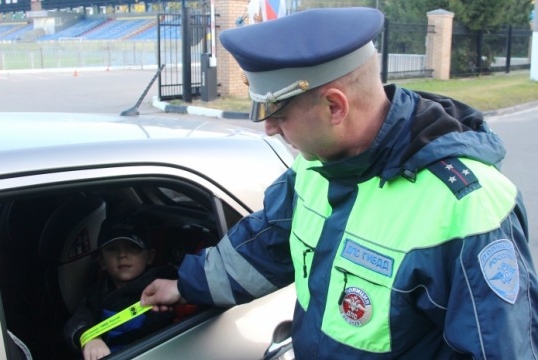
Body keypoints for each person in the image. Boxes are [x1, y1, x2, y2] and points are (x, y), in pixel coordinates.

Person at [141, 7, 538, 359]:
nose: (269, 127)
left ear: (335, 106)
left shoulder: (468, 208)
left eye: (278, 112)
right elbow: (266, 244)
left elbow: (500, 346)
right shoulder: (314, 166)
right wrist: (185, 285)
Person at [65, 211, 177, 359]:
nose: (122, 254)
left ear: (150, 257)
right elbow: (78, 320)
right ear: (102, 262)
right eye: (112, 249)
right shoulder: (97, 292)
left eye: (132, 247)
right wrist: (90, 338)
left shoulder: (161, 292)